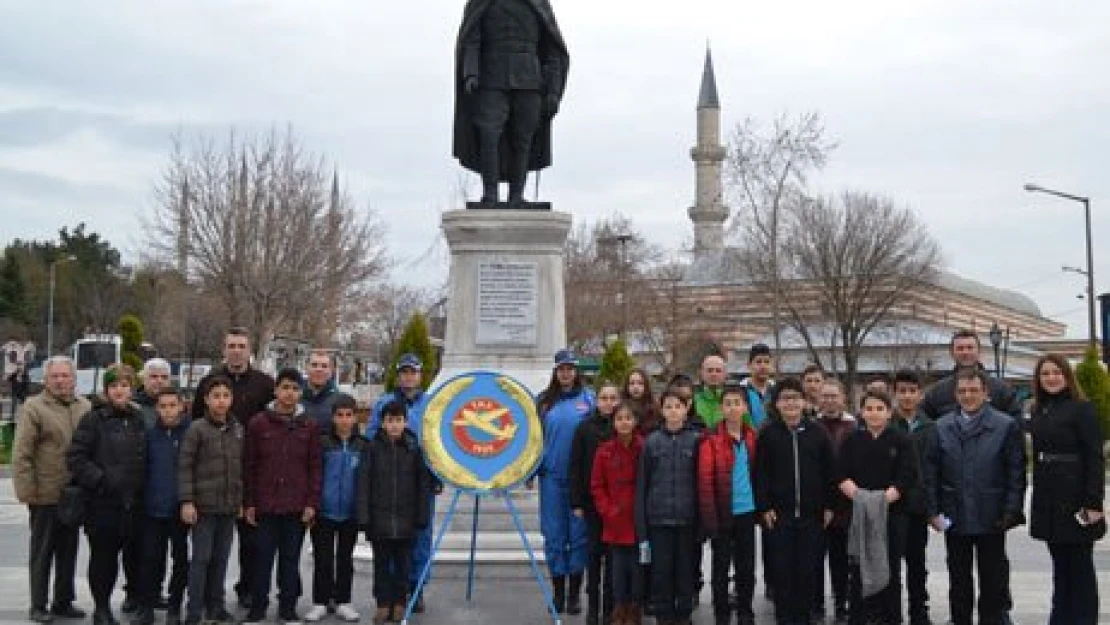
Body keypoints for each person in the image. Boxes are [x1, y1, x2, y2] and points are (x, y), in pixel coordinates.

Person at [922, 368, 1025, 625]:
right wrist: (933, 511)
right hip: (954, 514)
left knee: (992, 579)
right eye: (962, 391)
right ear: (955, 394)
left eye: (974, 390)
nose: (968, 396)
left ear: (986, 393)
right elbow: (931, 472)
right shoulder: (941, 426)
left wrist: (1011, 510)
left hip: (992, 515)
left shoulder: (1005, 426)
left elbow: (1016, 471)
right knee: (958, 579)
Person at [454, 0, 569, 205]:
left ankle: (517, 196)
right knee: (488, 135)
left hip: (529, 80)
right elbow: (472, 40)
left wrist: (553, 92)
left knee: (523, 140)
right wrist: (470, 73)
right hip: (490, 78)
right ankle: (490, 194)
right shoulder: (481, 3)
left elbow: (553, 51)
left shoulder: (538, 4)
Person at [191, 327, 274, 609]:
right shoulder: (209, 382)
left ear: (249, 350)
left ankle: (246, 589)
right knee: (212, 546)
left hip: (251, 472)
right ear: (223, 349)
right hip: (213, 474)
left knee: (250, 540)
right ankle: (208, 596)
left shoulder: (265, 384)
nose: (236, 350)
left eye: (241, 345)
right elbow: (195, 425)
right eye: (231, 345)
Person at [66, 364, 147, 625]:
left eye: (124, 385)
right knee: (103, 560)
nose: (119, 391)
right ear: (106, 390)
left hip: (134, 503)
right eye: (114, 386)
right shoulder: (93, 419)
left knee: (134, 558)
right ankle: (102, 608)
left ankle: (135, 599)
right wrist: (101, 480)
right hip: (103, 504)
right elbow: (76, 457)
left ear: (132, 389)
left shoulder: (138, 419)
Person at [1027, 354, 1105, 625]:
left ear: (1066, 376)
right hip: (1049, 499)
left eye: (1056, 372)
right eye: (1045, 373)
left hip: (1076, 498)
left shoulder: (1081, 409)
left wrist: (1093, 502)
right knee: (1060, 567)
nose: (1051, 378)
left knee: (1080, 568)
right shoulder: (1038, 410)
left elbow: (1094, 456)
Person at [12, 356, 91, 622]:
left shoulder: (85, 407)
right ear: (45, 379)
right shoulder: (34, 408)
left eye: (65, 376)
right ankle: (38, 604)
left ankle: (63, 601)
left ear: (74, 378)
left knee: (68, 552)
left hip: (76, 495)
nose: (60, 381)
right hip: (44, 494)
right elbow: (22, 454)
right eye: (54, 376)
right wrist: (27, 492)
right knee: (42, 553)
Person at [242, 369, 322, 625]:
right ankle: (257, 608)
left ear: (301, 393)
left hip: (295, 506)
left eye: (295, 388)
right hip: (265, 506)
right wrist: (250, 502)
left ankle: (288, 608)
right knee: (262, 559)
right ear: (276, 390)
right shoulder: (258, 423)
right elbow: (250, 465)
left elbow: (314, 467)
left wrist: (311, 503)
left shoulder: (309, 426)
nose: (290, 393)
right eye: (285, 387)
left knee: (290, 561)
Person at [753, 377, 834, 625]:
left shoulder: (818, 433)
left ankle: (805, 615)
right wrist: (764, 506)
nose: (790, 403)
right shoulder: (768, 434)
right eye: (785, 398)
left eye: (795, 398)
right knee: (782, 569)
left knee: (808, 568)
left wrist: (830, 505)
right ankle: (784, 616)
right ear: (776, 403)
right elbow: (760, 473)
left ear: (804, 401)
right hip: (780, 515)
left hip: (812, 514)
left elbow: (829, 472)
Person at [365, 352, 437, 613]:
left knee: (420, 538)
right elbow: (372, 439)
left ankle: (415, 589)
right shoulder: (385, 403)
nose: (409, 377)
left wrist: (437, 476)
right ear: (398, 375)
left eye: (413, 372)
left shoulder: (431, 404)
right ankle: (394, 593)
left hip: (421, 482)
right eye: (404, 372)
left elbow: (440, 442)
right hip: (389, 481)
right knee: (391, 540)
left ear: (420, 375)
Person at [837, 390, 917, 625]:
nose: (874, 413)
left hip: (894, 513)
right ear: (861, 413)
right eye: (869, 409)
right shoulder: (851, 441)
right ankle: (860, 617)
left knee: (890, 566)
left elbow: (908, 475)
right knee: (859, 566)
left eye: (879, 409)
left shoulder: (902, 440)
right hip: (858, 512)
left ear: (889, 412)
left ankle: (890, 617)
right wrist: (860, 497)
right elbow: (840, 473)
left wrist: (883, 499)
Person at [356, 401, 432, 625]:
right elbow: (364, 483)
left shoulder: (414, 449)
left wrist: (421, 516)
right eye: (390, 421)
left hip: (406, 521)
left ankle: (399, 603)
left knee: (403, 566)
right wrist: (364, 517)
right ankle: (382, 604)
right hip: (380, 521)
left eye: (398, 420)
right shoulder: (371, 448)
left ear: (406, 422)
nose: (394, 426)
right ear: (382, 423)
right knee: (381, 566)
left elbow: (422, 486)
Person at [178, 376, 243, 625]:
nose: (221, 401)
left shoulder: (237, 429)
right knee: (201, 560)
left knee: (221, 559)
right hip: (203, 508)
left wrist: (239, 501)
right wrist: (187, 501)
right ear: (206, 399)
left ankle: (216, 606)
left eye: (226, 396)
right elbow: (185, 466)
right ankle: (194, 611)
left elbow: (240, 468)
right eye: (216, 396)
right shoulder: (197, 429)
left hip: (228, 507)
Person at [535, 349, 595, 614]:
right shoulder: (544, 402)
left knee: (579, 536)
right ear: (556, 372)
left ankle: (574, 593)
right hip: (551, 478)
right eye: (562, 369)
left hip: (579, 481)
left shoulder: (589, 400)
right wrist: (530, 472)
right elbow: (533, 442)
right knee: (554, 536)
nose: (566, 373)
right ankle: (557, 593)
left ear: (577, 371)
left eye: (570, 368)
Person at [635, 389, 701, 625]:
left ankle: (684, 614)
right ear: (662, 411)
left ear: (686, 410)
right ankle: (663, 614)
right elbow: (643, 484)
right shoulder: (652, 442)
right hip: (658, 520)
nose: (673, 411)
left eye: (678, 406)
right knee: (661, 572)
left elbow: (701, 483)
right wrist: (642, 526)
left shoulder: (696, 440)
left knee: (685, 572)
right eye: (669, 406)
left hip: (687, 519)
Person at [697, 384, 758, 625]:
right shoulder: (710, 440)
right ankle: (721, 611)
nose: (733, 408)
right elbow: (705, 482)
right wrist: (710, 520)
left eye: (737, 403)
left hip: (747, 511)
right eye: (728, 403)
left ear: (745, 407)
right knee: (720, 566)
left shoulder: (753, 438)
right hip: (722, 513)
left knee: (746, 566)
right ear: (721, 408)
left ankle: (745, 609)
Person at [134, 388, 192, 625]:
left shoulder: (190, 434)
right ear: (157, 409)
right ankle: (146, 604)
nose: (168, 410)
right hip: (152, 509)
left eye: (172, 405)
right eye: (163, 406)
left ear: (181, 406)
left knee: (180, 559)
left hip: (179, 509)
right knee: (150, 558)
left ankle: (175, 605)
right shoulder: (149, 435)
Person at [305, 394, 365, 623]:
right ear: (332, 417)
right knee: (322, 558)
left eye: (349, 415)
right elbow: (313, 475)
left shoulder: (362, 446)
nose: (344, 420)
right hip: (324, 510)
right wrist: (312, 504)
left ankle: (343, 601)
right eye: (339, 415)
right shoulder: (322, 443)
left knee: (345, 559)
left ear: (355, 417)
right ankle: (320, 601)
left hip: (350, 512)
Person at [570, 382, 619, 625]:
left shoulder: (623, 426)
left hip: (616, 506)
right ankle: (592, 607)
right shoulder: (584, 428)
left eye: (612, 398)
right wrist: (576, 501)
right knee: (593, 556)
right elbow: (576, 466)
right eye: (604, 398)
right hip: (591, 504)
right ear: (596, 401)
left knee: (612, 559)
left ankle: (609, 608)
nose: (608, 403)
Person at [591, 403, 644, 625]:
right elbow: (597, 485)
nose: (624, 422)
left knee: (638, 570)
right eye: (619, 418)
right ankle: (619, 611)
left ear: (635, 422)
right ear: (614, 423)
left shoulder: (645, 448)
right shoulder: (604, 451)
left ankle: (635, 610)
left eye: (628, 418)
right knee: (617, 572)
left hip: (639, 520)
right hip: (615, 521)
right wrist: (607, 509)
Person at [891, 369, 935, 625]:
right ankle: (892, 611)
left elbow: (933, 468)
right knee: (892, 562)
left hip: (918, 507)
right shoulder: (888, 424)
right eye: (902, 391)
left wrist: (931, 507)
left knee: (917, 563)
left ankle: (919, 611)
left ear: (920, 394)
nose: (907, 396)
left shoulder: (930, 427)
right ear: (895, 394)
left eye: (911, 391)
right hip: (894, 506)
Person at [814, 379, 856, 623]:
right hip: (817, 504)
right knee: (815, 559)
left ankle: (842, 602)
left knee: (841, 559)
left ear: (842, 398)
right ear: (819, 399)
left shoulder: (852, 428)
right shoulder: (811, 427)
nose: (830, 401)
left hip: (845, 505)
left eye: (834, 396)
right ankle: (816, 603)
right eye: (825, 396)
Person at [302, 350, 342, 432]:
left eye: (324, 366)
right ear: (306, 368)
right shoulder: (293, 398)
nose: (319, 369)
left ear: (331, 370)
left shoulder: (340, 401)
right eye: (314, 365)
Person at [742, 344, 774, 428]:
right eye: (758, 362)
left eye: (767, 362)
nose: (763, 366)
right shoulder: (739, 392)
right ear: (749, 365)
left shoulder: (777, 392)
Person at [134, 359, 173, 428]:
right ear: (143, 379)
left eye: (164, 377)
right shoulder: (132, 407)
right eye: (154, 376)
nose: (159, 381)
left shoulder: (179, 408)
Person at [694, 354, 728, 429]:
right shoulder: (693, 400)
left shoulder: (734, 401)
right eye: (710, 370)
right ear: (701, 373)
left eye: (718, 371)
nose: (714, 374)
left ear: (725, 374)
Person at [623, 368, 660, 434]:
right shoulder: (621, 408)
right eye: (632, 383)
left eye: (640, 383)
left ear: (646, 386)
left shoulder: (656, 408)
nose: (636, 387)